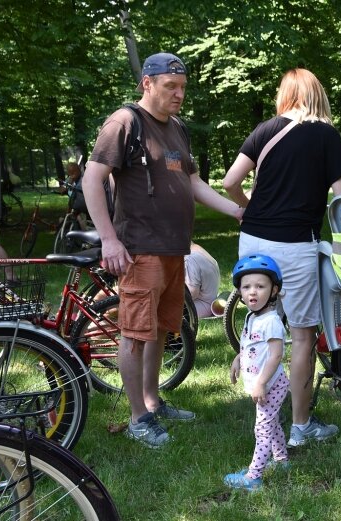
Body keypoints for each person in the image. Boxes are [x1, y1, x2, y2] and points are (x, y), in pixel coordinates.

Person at [82, 52, 244, 448]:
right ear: (147, 84)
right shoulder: (125, 123)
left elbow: (194, 183)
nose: (179, 94)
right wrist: (109, 238)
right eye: (171, 86)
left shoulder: (176, 128)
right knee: (135, 333)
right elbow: (91, 178)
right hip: (140, 248)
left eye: (183, 87)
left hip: (175, 249)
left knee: (160, 330)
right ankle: (138, 418)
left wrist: (239, 210)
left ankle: (153, 402)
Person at [223, 68, 341, 448]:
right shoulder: (327, 135)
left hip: (253, 242)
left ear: (285, 95)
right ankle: (299, 425)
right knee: (302, 335)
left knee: (261, 318)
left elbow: (230, 182)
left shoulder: (265, 129)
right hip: (296, 244)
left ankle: (260, 393)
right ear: (318, 95)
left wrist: (248, 209)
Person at [224, 255, 290, 492]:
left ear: (274, 290)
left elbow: (275, 355)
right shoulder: (253, 317)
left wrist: (261, 383)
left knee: (262, 428)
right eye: (246, 286)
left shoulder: (271, 321)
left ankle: (254, 477)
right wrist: (238, 359)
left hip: (271, 383)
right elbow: (251, 346)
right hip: (264, 382)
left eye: (260, 286)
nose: (253, 292)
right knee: (271, 423)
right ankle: (281, 460)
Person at [184, 241, 223, 318]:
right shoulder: (198, 249)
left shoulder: (190, 259)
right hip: (210, 299)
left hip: (201, 305)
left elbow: (192, 293)